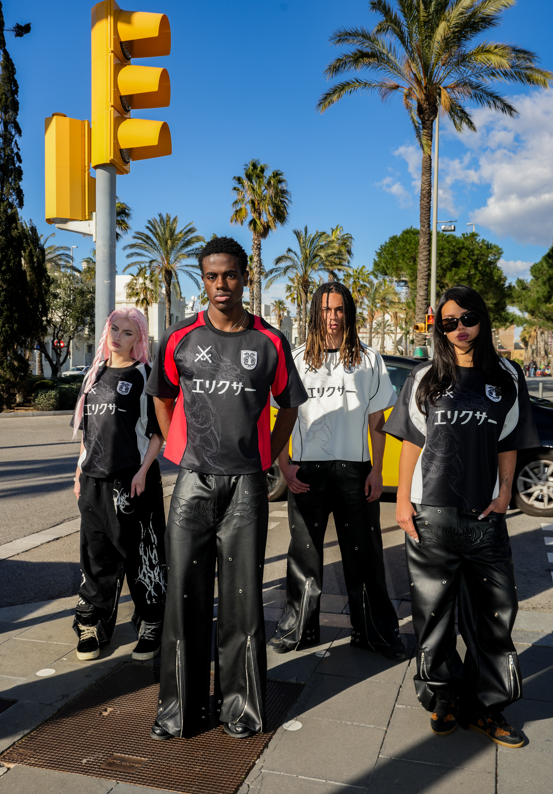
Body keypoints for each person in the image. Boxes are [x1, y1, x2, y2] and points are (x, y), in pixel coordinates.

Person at [146, 237, 307, 741]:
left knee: (242, 603)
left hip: (246, 488)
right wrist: (184, 449)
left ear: (245, 278)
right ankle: (180, 711)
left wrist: (264, 457)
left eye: (230, 276)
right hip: (193, 484)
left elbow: (289, 406)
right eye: (212, 276)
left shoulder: (271, 341)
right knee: (184, 600)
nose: (220, 285)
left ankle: (242, 709)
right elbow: (162, 396)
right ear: (204, 279)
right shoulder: (179, 338)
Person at [384, 285, 539, 748]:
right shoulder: (425, 375)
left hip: (485, 514)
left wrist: (506, 491)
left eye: (467, 319)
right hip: (431, 512)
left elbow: (509, 442)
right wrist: (401, 501)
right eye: (448, 323)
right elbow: (412, 439)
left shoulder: (508, 375)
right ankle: (444, 698)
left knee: (495, 615)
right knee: (433, 616)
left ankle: (487, 708)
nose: (459, 330)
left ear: (483, 320)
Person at [268, 282, 405, 661]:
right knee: (304, 555)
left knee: (365, 557)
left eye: (340, 309)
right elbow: (282, 416)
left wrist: (376, 471)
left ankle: (374, 632)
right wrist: (285, 464)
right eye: (326, 309)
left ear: (349, 313)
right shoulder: (295, 359)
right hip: (306, 471)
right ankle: (298, 630)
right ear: (315, 312)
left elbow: (377, 421)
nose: (333, 317)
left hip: (355, 471)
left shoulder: (369, 360)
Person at [72, 307, 166, 662]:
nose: (118, 337)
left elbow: (158, 433)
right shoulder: (92, 375)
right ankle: (93, 622)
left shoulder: (145, 375)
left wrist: (142, 472)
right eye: (115, 329)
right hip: (94, 481)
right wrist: (78, 473)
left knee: (141, 553)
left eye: (128, 332)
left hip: (133, 481)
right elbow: (87, 433)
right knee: (97, 555)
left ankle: (151, 621)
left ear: (139, 338)